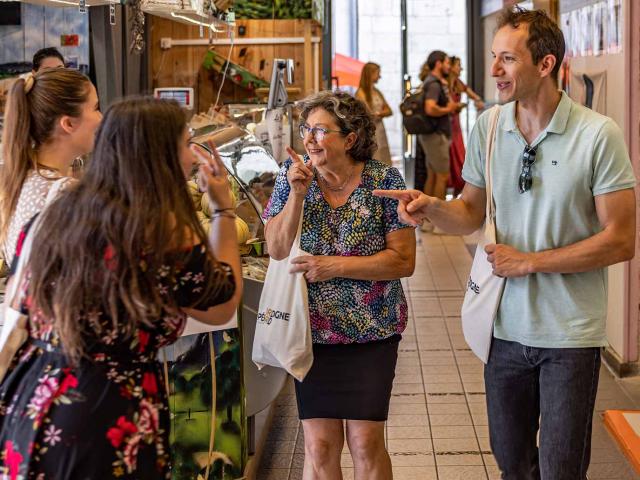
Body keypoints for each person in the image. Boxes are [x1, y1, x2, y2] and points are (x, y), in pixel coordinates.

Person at [375, 7, 636, 479]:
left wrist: (531, 262)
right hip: (503, 330)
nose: (493, 70)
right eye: (494, 57)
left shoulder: (599, 135)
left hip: (570, 335)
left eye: (508, 60)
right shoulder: (490, 127)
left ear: (545, 64)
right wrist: (431, 206)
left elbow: (621, 241)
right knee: (512, 464)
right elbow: (470, 212)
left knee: (561, 469)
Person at [0, 97, 242, 478]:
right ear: (157, 153)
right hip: (104, 415)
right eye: (185, 142)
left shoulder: (57, 212)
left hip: (33, 404)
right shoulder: (160, 232)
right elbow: (221, 304)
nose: (193, 156)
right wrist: (223, 211)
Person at [263, 90, 415, 480]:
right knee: (320, 446)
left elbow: (403, 261)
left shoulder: (383, 180)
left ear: (350, 139)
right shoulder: (291, 178)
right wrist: (296, 195)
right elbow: (277, 249)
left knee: (365, 442)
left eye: (320, 130)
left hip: (373, 330)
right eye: (306, 129)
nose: (309, 139)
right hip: (311, 333)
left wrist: (335, 266)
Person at [1, 68, 101, 266]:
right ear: (68, 124)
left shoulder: (21, 181)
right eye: (96, 108)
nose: (102, 117)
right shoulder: (63, 192)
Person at [418, 50, 464, 232]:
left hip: (431, 135)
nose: (448, 66)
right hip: (436, 135)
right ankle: (439, 222)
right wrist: (450, 108)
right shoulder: (434, 84)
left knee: (433, 175)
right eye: (446, 62)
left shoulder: (431, 82)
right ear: (438, 63)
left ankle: (428, 218)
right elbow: (431, 109)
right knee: (442, 176)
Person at [447, 56, 485, 196]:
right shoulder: (444, 83)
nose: (461, 68)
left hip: (455, 124)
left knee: (459, 155)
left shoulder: (458, 83)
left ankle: (459, 190)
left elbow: (473, 95)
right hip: (445, 124)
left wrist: (478, 101)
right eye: (458, 65)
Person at [355, 62, 393, 165]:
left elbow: (389, 110)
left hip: (380, 129)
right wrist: (380, 113)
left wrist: (380, 113)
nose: (380, 76)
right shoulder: (360, 93)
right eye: (378, 73)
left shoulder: (377, 91)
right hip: (369, 130)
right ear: (370, 74)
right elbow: (367, 112)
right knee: (374, 155)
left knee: (383, 155)